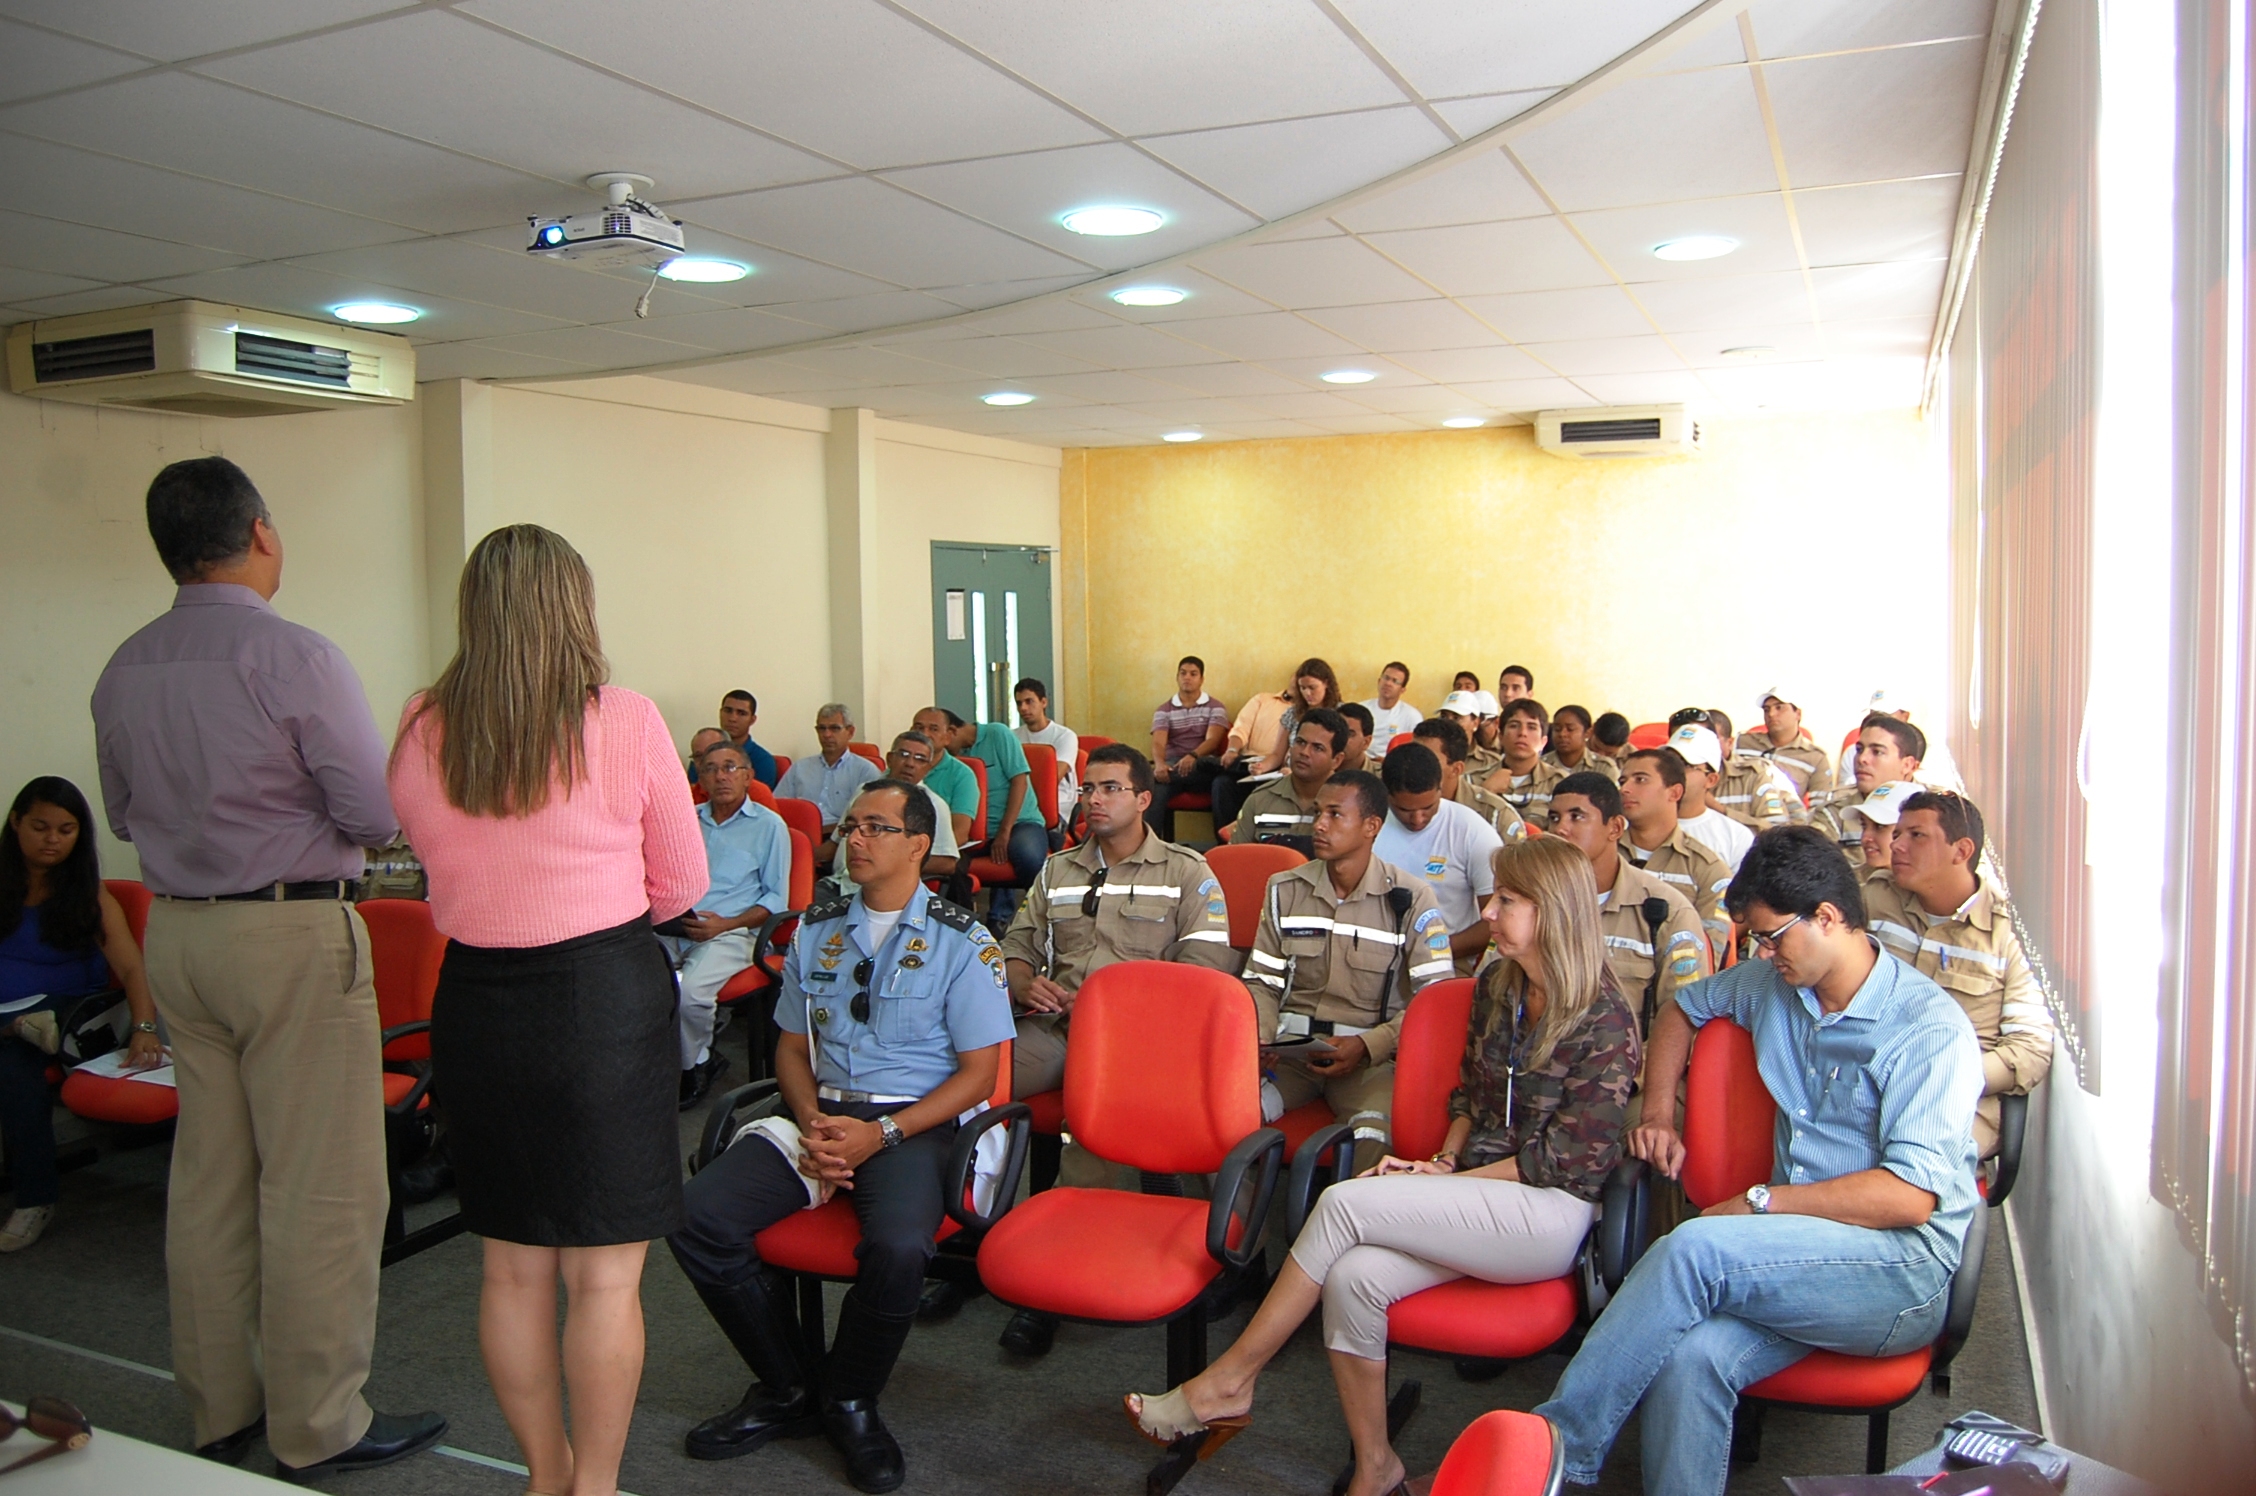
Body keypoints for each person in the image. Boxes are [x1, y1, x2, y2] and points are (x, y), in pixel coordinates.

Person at [89, 456, 444, 1479]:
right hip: (287, 935)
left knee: (210, 1178)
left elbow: (118, 812)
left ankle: (220, 1407)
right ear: (260, 533)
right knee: (323, 1187)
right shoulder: (294, 655)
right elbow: (373, 817)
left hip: (181, 935)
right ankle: (319, 1421)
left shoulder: (126, 662)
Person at [1129, 837, 1639, 1496]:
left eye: (1508, 902)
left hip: (1548, 1212)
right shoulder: (1498, 985)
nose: (1489, 912)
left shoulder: (1605, 1017)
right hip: (1479, 1190)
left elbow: (1566, 1162)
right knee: (1355, 1279)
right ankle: (1377, 1466)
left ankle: (1229, 1381)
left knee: (1343, 1204)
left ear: (1554, 914)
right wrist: (1447, 1159)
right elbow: (1469, 1095)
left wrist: (1448, 1183)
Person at [389, 524, 703, 1496]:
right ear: (577, 606)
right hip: (599, 996)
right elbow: (682, 882)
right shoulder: (626, 717)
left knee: (511, 1270)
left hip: (478, 1000)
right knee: (603, 1277)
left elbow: (429, 864)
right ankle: (597, 1486)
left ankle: (544, 1474)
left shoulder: (422, 720)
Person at [1533, 826, 1983, 1494]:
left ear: (1828, 918)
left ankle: (1553, 1456)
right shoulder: (1776, 984)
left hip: (1897, 1269)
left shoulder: (1928, 1029)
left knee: (1695, 1249)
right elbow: (1682, 1008)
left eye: (1771, 937)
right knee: (1691, 1354)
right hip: (1795, 1257)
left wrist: (1761, 1202)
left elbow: (1908, 1198)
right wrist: (1658, 1111)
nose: (1763, 953)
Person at [667, 780, 1013, 1493]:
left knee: (897, 1246)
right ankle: (788, 1386)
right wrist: (815, 1120)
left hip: (911, 1125)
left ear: (918, 844)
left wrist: (878, 1134)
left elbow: (979, 1076)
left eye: (875, 828)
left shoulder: (963, 940)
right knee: (695, 1217)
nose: (853, 839)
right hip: (818, 1114)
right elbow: (791, 1048)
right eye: (851, 825)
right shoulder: (818, 929)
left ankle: (850, 1397)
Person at [992, 743, 1238, 1354]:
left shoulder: (1187, 871)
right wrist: (1025, 978)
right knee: (976, 1083)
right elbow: (1014, 945)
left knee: (1093, 1116)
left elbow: (1204, 972)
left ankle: (1060, 1274)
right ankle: (966, 1229)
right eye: (1087, 789)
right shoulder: (1057, 869)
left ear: (1143, 799)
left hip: (1142, 1042)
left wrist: (1116, 1009)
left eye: (1109, 789)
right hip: (1053, 1026)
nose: (1093, 800)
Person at [1242, 771, 1451, 1168]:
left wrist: (1371, 1045)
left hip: (1367, 1061)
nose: (1319, 824)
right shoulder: (1284, 889)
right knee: (1225, 1114)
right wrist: (1260, 1037)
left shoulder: (1410, 899)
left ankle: (1340, 1227)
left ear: (1372, 826)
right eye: (1319, 811)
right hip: (1290, 1055)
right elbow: (1262, 980)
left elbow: (1435, 1004)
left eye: (1335, 814)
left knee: (1375, 1134)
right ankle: (1237, 1225)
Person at [0, 777, 162, 1252]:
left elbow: (132, 967)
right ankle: (14, 1027)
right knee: (14, 1042)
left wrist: (145, 1029)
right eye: (41, 827)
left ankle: (35, 1200)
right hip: (14, 1016)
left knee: (13, 1067)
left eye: (66, 830)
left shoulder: (87, 892)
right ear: (15, 823)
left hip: (71, 1015)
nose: (53, 839)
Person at [1864, 791, 2051, 1157]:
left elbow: (2028, 1049)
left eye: (1916, 836)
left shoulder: (2008, 935)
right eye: (1897, 834)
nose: (1897, 845)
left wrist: (1944, 1078)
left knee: (1912, 1165)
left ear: (1961, 851)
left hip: (1958, 1106)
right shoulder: (1874, 900)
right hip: (1864, 1087)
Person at [668, 741, 791, 1111]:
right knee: (634, 980)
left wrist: (725, 925)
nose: (721, 776)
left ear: (749, 776)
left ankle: (698, 1064)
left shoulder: (769, 826)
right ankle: (655, 1066)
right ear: (700, 778)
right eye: (710, 769)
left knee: (688, 994)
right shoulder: (686, 820)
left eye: (730, 767)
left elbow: (776, 899)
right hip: (677, 926)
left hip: (735, 932)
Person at [1543, 773, 1709, 1038]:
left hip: (1627, 1072)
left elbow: (1684, 1024)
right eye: (1554, 818)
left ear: (1616, 828)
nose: (1560, 829)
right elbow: (1495, 989)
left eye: (1577, 817)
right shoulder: (1533, 900)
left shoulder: (1667, 912)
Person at [1374, 743, 1502, 975]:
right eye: (1403, 810)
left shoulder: (1471, 831)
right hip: (1372, 956)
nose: (1418, 819)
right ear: (1387, 794)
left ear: (1440, 789)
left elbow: (1497, 920)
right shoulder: (1369, 825)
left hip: (1451, 958)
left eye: (1428, 807)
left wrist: (1432, 951)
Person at [922, 707, 1048, 929]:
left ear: (950, 731)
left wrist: (1004, 832)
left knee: (1027, 857)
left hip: (1018, 821)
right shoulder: (950, 759)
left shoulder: (997, 734)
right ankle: (962, 927)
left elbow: (1020, 781)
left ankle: (1033, 921)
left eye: (935, 730)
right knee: (950, 864)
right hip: (974, 832)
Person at [1616, 749, 1735, 960]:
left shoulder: (1707, 868)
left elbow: (1707, 954)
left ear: (1674, 793)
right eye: (1623, 781)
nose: (1625, 789)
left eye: (1640, 780)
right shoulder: (1602, 855)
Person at [829, 733, 961, 897]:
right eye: (904, 755)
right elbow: (837, 840)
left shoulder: (934, 804)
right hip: (838, 882)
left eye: (920, 759)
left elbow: (947, 863)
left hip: (883, 889)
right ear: (890, 758)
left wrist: (891, 863)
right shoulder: (865, 791)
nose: (910, 764)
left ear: (928, 768)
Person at [1812, 715, 1928, 864]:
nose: (1862, 759)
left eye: (1877, 752)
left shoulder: (1938, 809)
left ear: (1907, 765)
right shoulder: (1834, 814)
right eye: (1859, 750)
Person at [1231, 708, 1348, 852]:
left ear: (1336, 760)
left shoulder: (1347, 805)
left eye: (1317, 748)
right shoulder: (1260, 800)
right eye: (1300, 742)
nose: (1304, 752)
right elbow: (1236, 859)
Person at [777, 705, 883, 851]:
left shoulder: (865, 771)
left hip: (842, 840)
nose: (827, 735)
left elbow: (867, 820)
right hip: (798, 837)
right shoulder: (800, 767)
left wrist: (832, 843)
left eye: (834, 728)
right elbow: (777, 806)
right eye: (822, 728)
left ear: (850, 732)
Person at [1675, 710, 1801, 833]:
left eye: (1704, 739)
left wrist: (1717, 808)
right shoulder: (1664, 780)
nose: (1690, 746)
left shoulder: (1755, 774)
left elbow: (1778, 831)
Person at [1146, 656, 1231, 839]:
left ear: (1202, 679)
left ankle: (1225, 848)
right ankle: (1149, 845)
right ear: (1177, 677)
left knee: (1218, 779)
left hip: (1203, 767)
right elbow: (1159, 743)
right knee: (1157, 786)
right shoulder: (1164, 710)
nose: (1187, 678)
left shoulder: (1216, 707)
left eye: (1193, 674)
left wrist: (1193, 756)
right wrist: (1160, 765)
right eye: (1183, 673)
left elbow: (1213, 741)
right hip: (1172, 767)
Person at [1660, 725, 1756, 873]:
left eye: (1685, 765)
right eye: (1669, 762)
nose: (1672, 771)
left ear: (1711, 779)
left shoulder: (1735, 836)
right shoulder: (1633, 823)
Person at [1412, 717, 1525, 840]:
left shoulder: (1495, 815)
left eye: (1427, 760)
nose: (1416, 766)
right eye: (1413, 756)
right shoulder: (1396, 804)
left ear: (1456, 769)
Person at [1209, 674, 1297, 830]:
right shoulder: (1262, 700)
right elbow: (1240, 729)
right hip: (1248, 763)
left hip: (1277, 768)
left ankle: (1197, 766)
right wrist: (1231, 750)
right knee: (1221, 783)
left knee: (1208, 766)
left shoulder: (1305, 713)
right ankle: (1227, 846)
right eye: (1297, 678)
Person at [1736, 689, 1835, 802]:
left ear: (1797, 714)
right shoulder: (1742, 743)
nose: (1771, 714)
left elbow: (1820, 809)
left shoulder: (1815, 758)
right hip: (1737, 814)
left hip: (1786, 816)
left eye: (1779, 708)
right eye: (1766, 710)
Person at [1011, 678, 1079, 838]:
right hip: (1020, 804)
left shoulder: (1064, 736)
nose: (1023, 708)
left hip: (1057, 805)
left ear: (1044, 702)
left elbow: (1052, 779)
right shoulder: (1013, 737)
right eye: (1019, 703)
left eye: (1029, 702)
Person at [907, 707, 980, 850]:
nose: (924, 734)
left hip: (941, 852)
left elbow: (959, 834)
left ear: (948, 736)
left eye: (933, 729)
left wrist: (917, 853)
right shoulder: (901, 768)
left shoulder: (962, 775)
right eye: (919, 728)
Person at [1482, 698, 1560, 820]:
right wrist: (1485, 793)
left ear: (1543, 742)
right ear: (1500, 736)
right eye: (1514, 725)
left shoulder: (1559, 784)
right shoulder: (1472, 780)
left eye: (1532, 727)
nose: (1522, 733)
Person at [1844, 780, 1920, 884]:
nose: (1865, 837)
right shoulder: (1848, 884)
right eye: (1864, 825)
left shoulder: (1941, 890)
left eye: (1880, 826)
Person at [1359, 662, 1421, 764]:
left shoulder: (1412, 716)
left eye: (1395, 681)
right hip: (1362, 764)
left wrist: (1388, 761)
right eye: (1386, 678)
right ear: (1379, 681)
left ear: (1402, 690)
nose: (1388, 683)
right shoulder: (1362, 708)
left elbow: (1416, 751)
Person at [718, 690, 780, 789]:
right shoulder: (704, 752)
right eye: (728, 711)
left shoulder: (763, 760)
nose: (732, 718)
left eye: (742, 713)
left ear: (752, 720)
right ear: (720, 713)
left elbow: (759, 799)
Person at [1544, 705, 1616, 782]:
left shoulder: (1603, 767)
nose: (1562, 734)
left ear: (1588, 732)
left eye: (1570, 729)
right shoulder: (1541, 765)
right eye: (1557, 729)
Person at [1438, 691, 1499, 777]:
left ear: (1475, 723)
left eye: (1456, 717)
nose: (1448, 722)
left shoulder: (1492, 763)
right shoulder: (1430, 757)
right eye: (1444, 716)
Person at [1337, 702, 1374, 774]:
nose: (1340, 738)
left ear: (1366, 742)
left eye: (1349, 734)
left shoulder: (1383, 777)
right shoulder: (1317, 772)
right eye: (1337, 731)